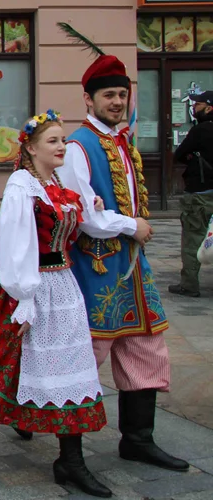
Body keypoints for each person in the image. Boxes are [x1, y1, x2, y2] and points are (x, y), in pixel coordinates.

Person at [0, 111, 113, 497]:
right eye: (52, 141)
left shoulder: (59, 181)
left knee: (66, 367)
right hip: (28, 287)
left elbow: (76, 226)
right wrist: (25, 296)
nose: (61, 146)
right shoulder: (22, 186)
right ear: (30, 148)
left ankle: (70, 461)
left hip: (62, 286)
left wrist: (92, 208)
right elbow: (14, 245)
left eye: (62, 140)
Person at [58, 51, 189, 472]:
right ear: (88, 100)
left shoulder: (122, 141)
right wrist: (132, 225)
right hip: (95, 267)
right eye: (108, 95)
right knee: (85, 354)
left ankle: (137, 439)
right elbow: (84, 215)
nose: (116, 101)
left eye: (122, 94)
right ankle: (65, 449)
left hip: (131, 268)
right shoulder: (79, 147)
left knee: (146, 345)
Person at [170, 88, 213, 297]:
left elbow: (179, 154)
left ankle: (189, 285)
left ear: (209, 108)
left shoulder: (201, 130)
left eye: (197, 105)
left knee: (193, 238)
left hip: (200, 193)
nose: (194, 108)